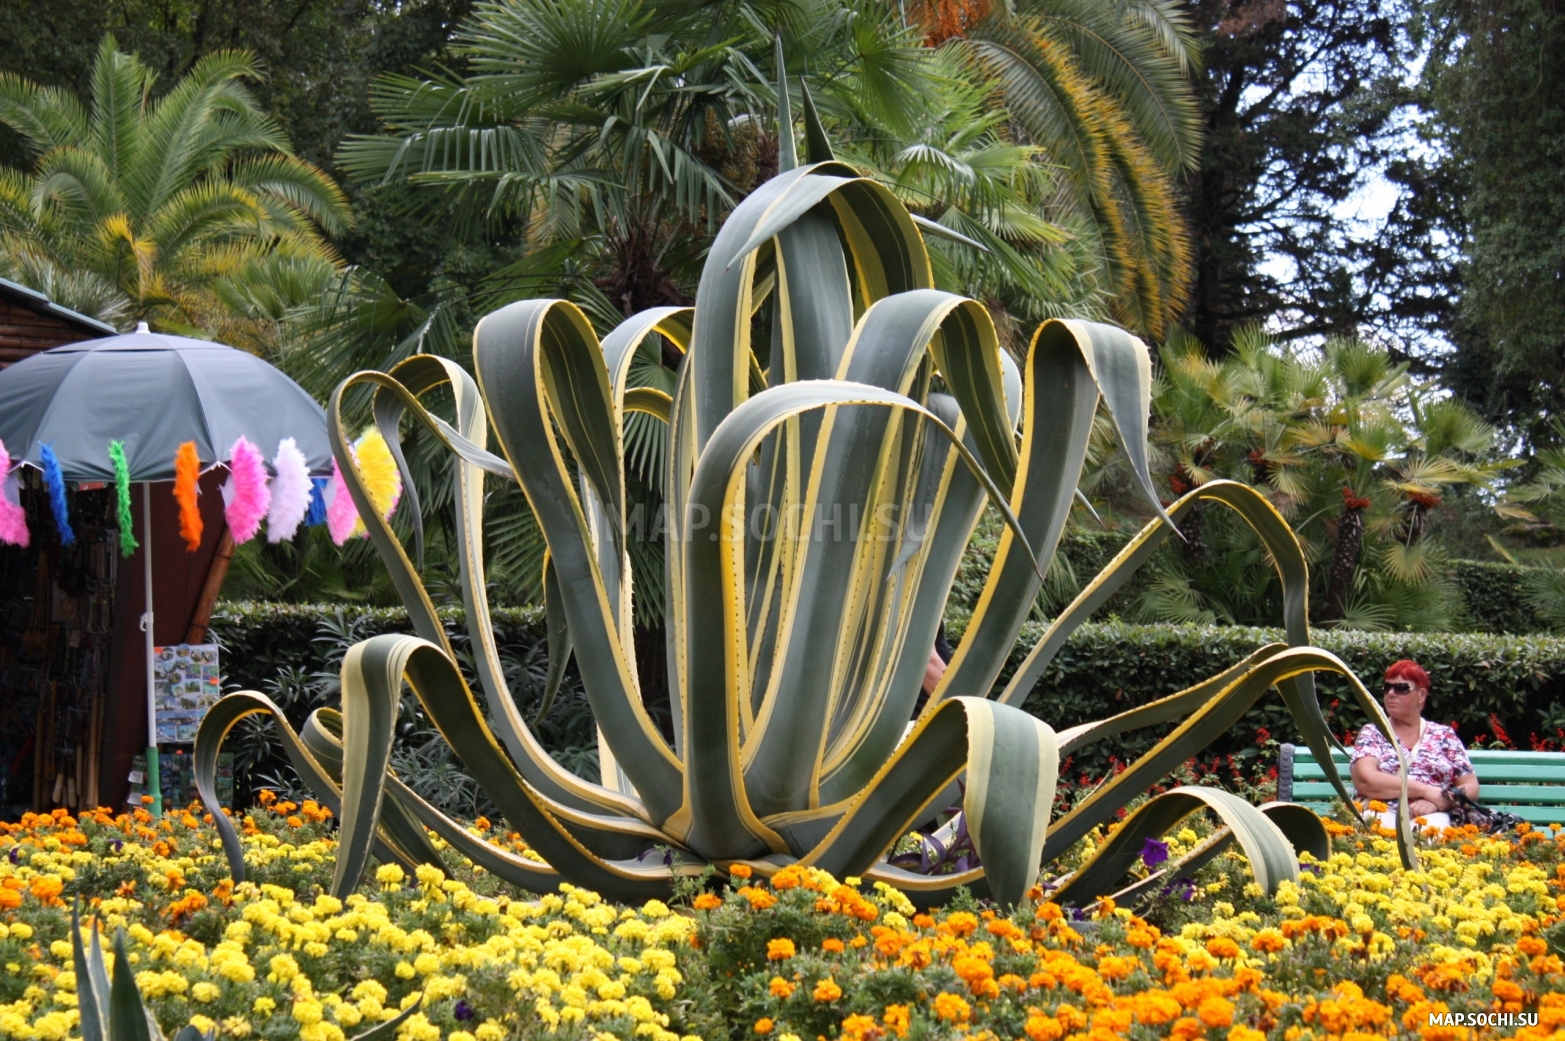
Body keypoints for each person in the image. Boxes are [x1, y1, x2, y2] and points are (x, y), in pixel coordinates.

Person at [1349, 659, 1478, 830]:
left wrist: (1439, 803)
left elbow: (1471, 786)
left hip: (1433, 813)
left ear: (1421, 695)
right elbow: (1366, 780)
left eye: (1402, 688)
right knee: (1373, 824)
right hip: (1382, 810)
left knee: (1430, 830)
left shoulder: (1443, 735)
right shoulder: (1374, 732)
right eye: (1387, 687)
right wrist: (1424, 790)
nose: (1391, 693)